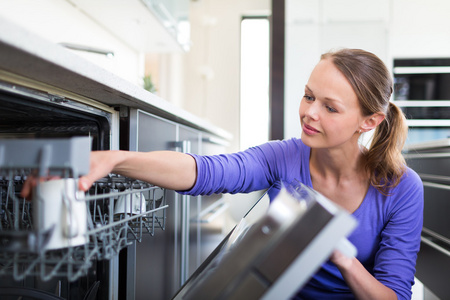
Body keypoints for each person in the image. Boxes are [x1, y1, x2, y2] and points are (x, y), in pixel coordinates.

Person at [23, 48, 424, 299]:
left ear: (368, 121)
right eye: (307, 95)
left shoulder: (401, 188)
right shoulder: (283, 157)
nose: (308, 113)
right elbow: (208, 171)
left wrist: (337, 252)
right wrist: (113, 159)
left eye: (330, 107)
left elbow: (392, 296)